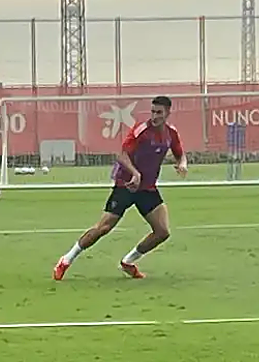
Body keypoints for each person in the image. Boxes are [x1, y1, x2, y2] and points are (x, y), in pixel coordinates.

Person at [53, 95, 188, 281]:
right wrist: (135, 173)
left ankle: (128, 262)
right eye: (153, 111)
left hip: (147, 189)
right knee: (103, 228)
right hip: (126, 185)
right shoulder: (141, 130)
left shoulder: (171, 134)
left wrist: (182, 164)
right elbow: (122, 155)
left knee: (162, 232)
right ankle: (66, 260)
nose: (155, 116)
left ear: (168, 113)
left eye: (159, 112)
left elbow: (180, 154)